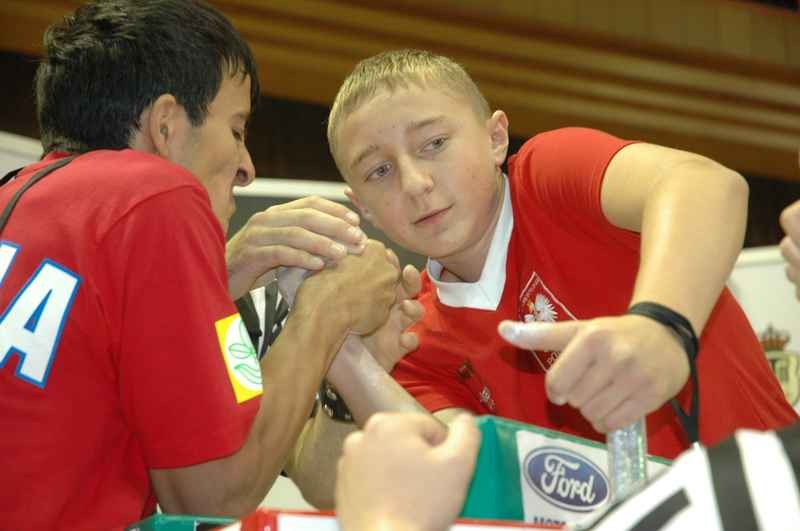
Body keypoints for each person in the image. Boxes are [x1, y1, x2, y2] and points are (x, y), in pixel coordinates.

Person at [287, 48, 799, 507]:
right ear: (364, 208)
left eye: (434, 144)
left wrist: (661, 326)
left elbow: (708, 185)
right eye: (380, 172)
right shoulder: (415, 332)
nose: (416, 183)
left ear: (495, 138)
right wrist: (347, 353)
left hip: (774, 495)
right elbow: (461, 476)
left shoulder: (549, 175)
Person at [0, 2, 403, 529]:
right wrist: (327, 312)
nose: (247, 167)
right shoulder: (157, 192)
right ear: (166, 125)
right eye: (236, 130)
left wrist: (218, 275)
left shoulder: (19, 196)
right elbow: (213, 490)